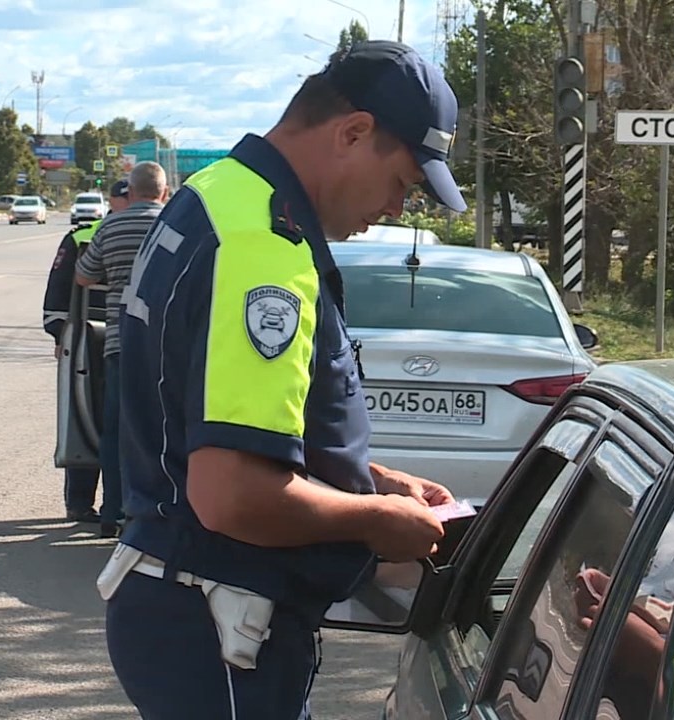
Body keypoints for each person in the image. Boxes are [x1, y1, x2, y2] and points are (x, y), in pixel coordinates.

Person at [98, 40, 468, 719]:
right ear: (354, 132)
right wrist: (376, 520)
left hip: (188, 608)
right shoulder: (264, 248)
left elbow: (213, 416)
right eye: (404, 184)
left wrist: (374, 477)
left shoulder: (219, 196)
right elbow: (232, 495)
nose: (395, 209)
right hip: (219, 618)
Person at [76, 163, 169, 538]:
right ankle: (159, 511)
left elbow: (83, 275)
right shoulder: (177, 225)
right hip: (168, 346)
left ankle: (113, 512)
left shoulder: (110, 226)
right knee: (164, 429)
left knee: (117, 431)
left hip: (121, 341)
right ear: (164, 192)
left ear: (129, 192)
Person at [42, 180, 130, 523]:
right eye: (122, 198)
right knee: (81, 415)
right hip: (85, 340)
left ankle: (118, 504)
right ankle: (79, 502)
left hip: (122, 338)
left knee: (114, 425)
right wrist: (61, 336)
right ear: (113, 200)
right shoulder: (83, 236)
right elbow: (58, 289)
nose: (127, 202)